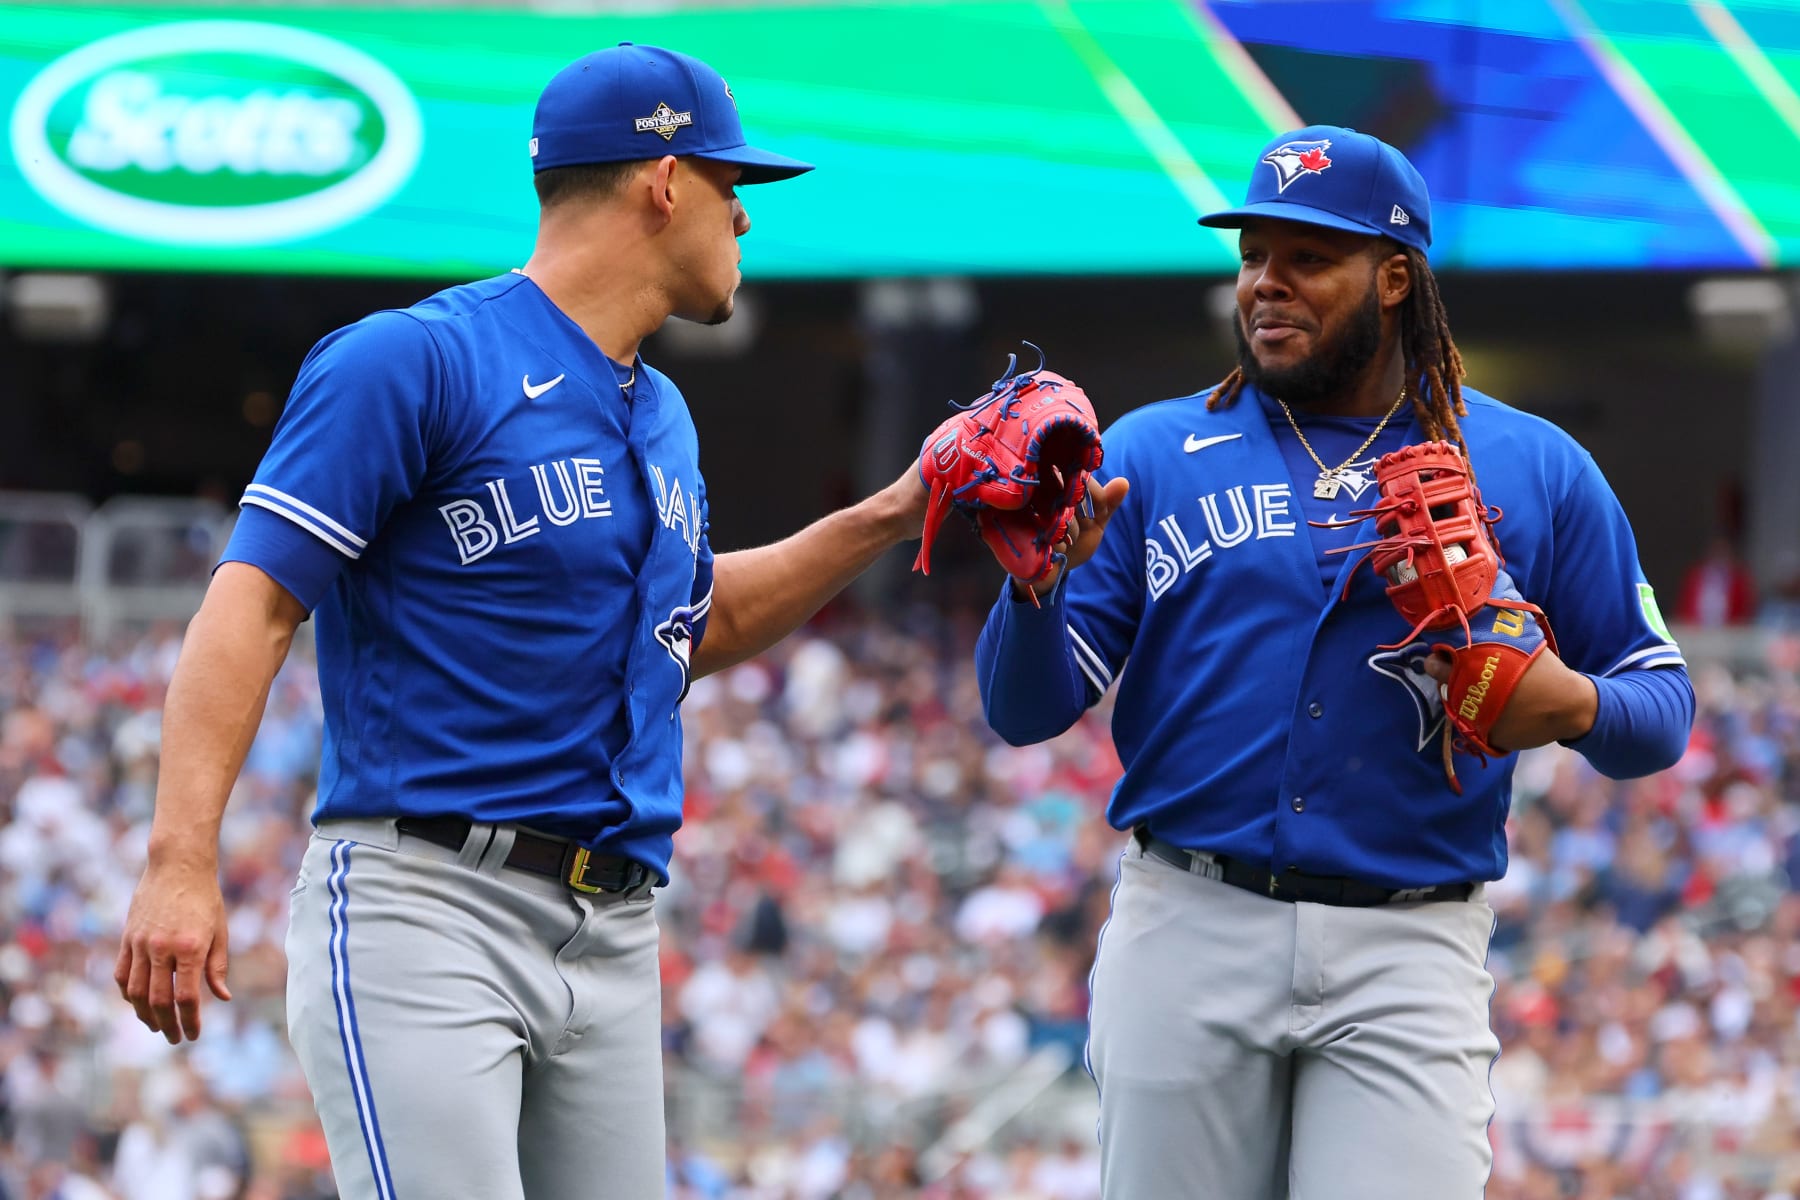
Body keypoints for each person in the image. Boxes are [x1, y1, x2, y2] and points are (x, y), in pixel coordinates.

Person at [114, 44, 928, 1200]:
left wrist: (892, 515)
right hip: (429, 910)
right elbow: (252, 602)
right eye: (730, 184)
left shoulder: (666, 414)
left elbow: (691, 627)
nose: (743, 219)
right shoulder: (415, 359)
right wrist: (179, 861)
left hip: (614, 926)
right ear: (661, 181)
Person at [973, 126, 1696, 1198]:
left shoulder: (1533, 465)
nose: (1269, 283)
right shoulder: (1152, 453)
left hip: (1409, 946)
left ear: (1395, 275)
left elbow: (1663, 707)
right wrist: (1033, 588)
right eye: (1253, 255)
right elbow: (1024, 710)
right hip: (1190, 923)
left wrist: (1573, 703)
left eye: (1308, 258)